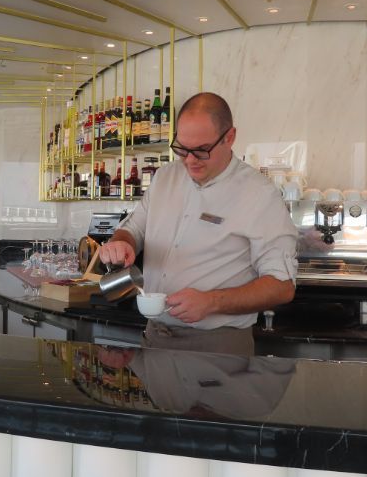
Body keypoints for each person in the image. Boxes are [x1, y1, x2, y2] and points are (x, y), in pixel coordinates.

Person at [98, 92, 297, 355]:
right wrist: (121, 242)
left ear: (230, 137)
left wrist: (212, 302)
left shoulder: (260, 195)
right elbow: (133, 229)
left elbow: (282, 286)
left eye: (202, 150)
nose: (190, 160)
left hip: (218, 346)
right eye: (181, 148)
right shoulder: (165, 178)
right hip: (154, 336)